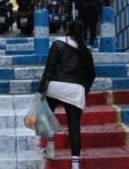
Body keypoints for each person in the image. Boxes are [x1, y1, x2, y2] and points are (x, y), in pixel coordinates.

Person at [37, 20, 95, 169]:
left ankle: (51, 149)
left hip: (55, 86)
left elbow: (49, 68)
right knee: (74, 128)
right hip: (76, 91)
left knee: (46, 116)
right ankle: (75, 165)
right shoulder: (86, 50)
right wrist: (84, 89)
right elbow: (92, 74)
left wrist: (41, 91)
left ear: (67, 29)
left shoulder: (58, 43)